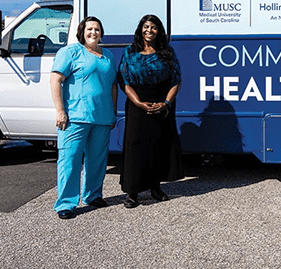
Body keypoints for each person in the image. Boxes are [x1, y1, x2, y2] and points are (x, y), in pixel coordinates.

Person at [50, 16, 117, 220]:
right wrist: (60, 110)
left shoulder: (108, 56)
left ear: (101, 33)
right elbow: (55, 79)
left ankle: (93, 195)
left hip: (102, 117)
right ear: (82, 31)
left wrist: (113, 110)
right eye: (89, 29)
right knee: (69, 161)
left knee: (97, 161)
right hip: (75, 117)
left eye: (97, 29)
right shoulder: (71, 52)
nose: (93, 33)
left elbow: (113, 84)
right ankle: (67, 203)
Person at [118, 14, 184, 208]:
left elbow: (176, 81)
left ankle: (155, 188)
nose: (149, 30)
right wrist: (138, 103)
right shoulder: (129, 52)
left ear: (159, 31)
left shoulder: (167, 52)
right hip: (137, 104)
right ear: (140, 29)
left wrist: (165, 103)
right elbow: (124, 81)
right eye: (146, 27)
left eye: (153, 27)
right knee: (135, 147)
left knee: (158, 146)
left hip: (162, 104)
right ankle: (132, 192)